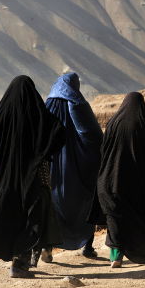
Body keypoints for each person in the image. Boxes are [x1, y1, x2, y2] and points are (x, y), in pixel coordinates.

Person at [0, 75, 67, 278]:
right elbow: (57, 132)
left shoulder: (1, 111)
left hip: (4, 174)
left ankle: (20, 259)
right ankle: (20, 263)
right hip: (30, 175)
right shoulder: (34, 111)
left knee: (10, 212)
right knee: (29, 213)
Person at [87, 92, 145, 268]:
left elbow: (104, 148)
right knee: (138, 215)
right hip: (138, 182)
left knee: (115, 217)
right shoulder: (144, 124)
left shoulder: (113, 122)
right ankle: (143, 251)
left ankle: (115, 255)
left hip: (112, 179)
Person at [43, 73, 104, 260]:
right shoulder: (79, 105)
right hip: (79, 171)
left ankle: (47, 248)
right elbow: (93, 136)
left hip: (52, 172)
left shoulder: (47, 106)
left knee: (51, 208)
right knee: (87, 204)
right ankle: (88, 247)